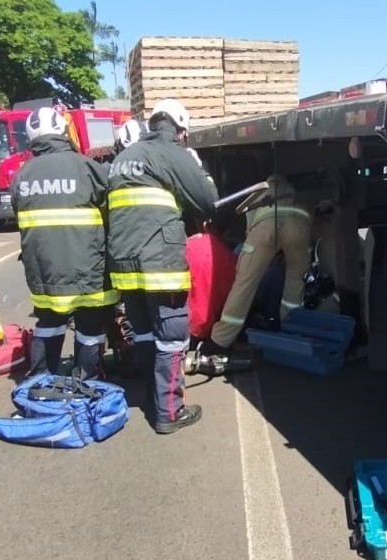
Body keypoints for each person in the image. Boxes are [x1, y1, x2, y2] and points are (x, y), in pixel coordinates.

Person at [106, 98, 217, 435]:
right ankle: (169, 412)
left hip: (124, 263)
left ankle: (148, 395)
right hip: (160, 261)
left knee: (142, 330)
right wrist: (197, 168)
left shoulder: (124, 157)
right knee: (171, 334)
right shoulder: (171, 152)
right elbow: (207, 200)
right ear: (180, 131)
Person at [10, 107, 118, 380]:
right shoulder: (87, 167)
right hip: (88, 269)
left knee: (48, 325)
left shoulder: (21, 175)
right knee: (90, 329)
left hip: (43, 272)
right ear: (62, 131)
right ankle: (88, 386)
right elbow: (111, 211)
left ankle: (41, 387)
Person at [203, 174, 313, 366]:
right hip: (299, 227)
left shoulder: (259, 190)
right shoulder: (297, 192)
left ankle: (220, 341)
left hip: (264, 228)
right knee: (296, 280)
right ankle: (290, 328)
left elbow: (250, 230)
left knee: (244, 283)